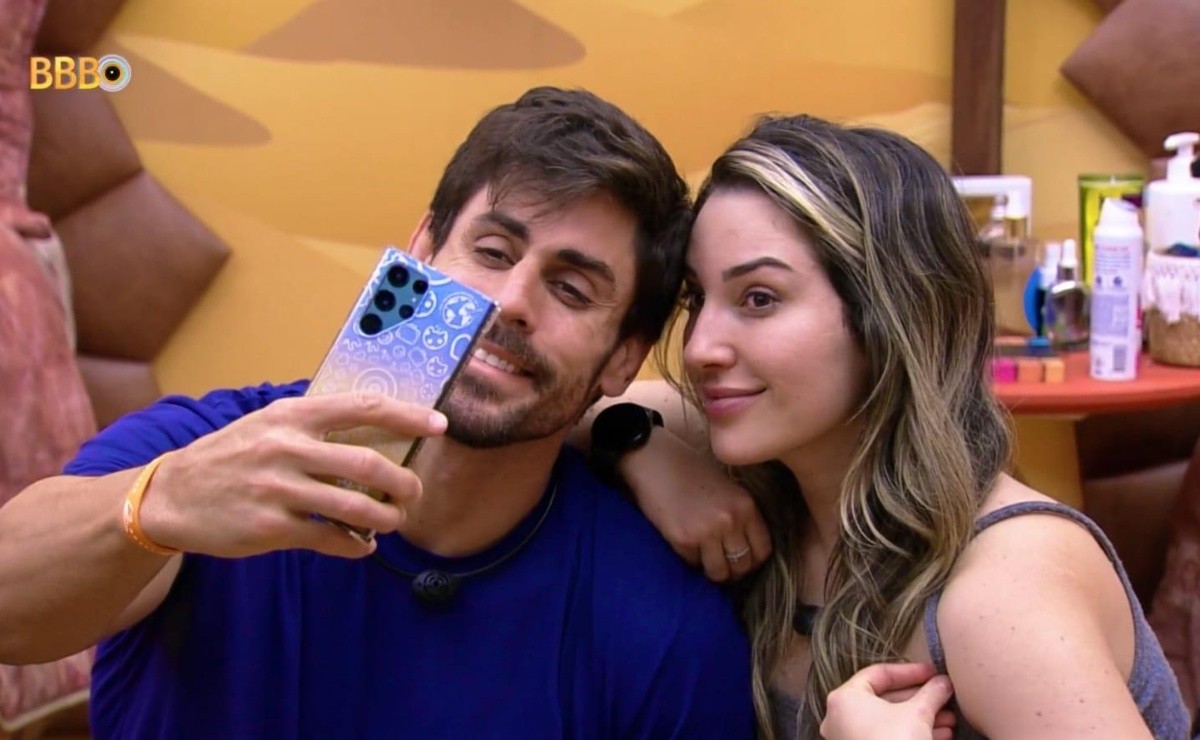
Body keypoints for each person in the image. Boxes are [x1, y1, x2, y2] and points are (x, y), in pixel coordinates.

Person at [0, 87, 755, 739]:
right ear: (420, 252)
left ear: (624, 357)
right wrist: (160, 506)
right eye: (493, 252)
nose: (511, 301)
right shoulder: (207, 446)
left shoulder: (664, 631)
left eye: (571, 290)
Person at [585, 114, 1190, 738]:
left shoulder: (1002, 595)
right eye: (697, 298)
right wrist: (639, 446)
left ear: (888, 316)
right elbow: (570, 399)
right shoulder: (760, 446)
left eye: (759, 299)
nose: (699, 348)